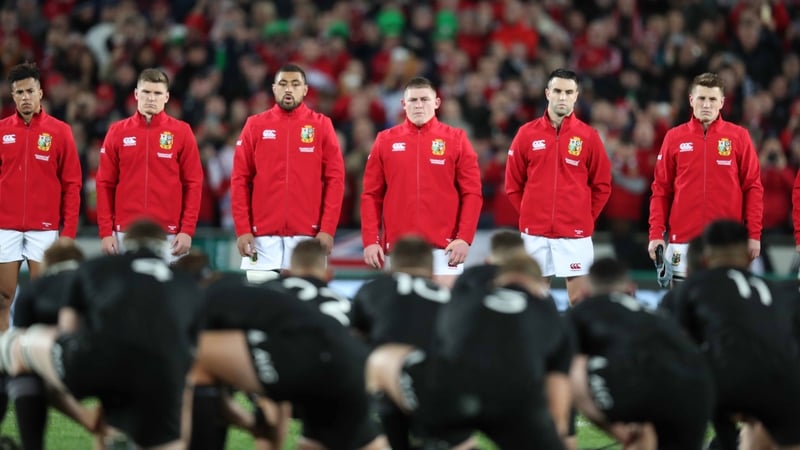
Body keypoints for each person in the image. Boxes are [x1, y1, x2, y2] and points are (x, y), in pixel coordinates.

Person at [0, 219, 205, 450]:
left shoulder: (96, 267)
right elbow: (193, 357)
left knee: (14, 347)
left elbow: (68, 331)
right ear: (163, 249)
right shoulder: (186, 284)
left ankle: (37, 444)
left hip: (101, 358)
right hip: (162, 374)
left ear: (126, 243)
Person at [366, 254, 573, 449]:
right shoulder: (551, 315)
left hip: (453, 392)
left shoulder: (462, 300)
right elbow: (559, 398)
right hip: (514, 400)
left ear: (497, 281)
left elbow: (434, 347)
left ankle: (423, 442)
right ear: (539, 286)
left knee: (383, 357)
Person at [192, 270, 387, 450]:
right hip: (356, 361)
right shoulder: (264, 303)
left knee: (195, 359)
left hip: (317, 357)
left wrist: (245, 421)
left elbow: (272, 400)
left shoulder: (207, 304)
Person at [665, 220, 800, 450]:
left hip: (728, 381)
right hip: (789, 382)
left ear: (704, 259)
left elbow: (678, 348)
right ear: (749, 259)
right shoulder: (774, 290)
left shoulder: (692, 287)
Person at [567, 257, 714, 450]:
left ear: (585, 293)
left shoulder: (580, 315)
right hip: (696, 390)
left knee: (571, 367)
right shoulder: (657, 316)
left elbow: (565, 373)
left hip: (638, 393)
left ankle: (629, 435)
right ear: (631, 290)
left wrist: (617, 430)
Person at [351, 235, 474, 450]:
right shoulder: (448, 297)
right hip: (440, 385)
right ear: (431, 270)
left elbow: (353, 342)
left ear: (392, 265)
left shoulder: (373, 288)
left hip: (386, 383)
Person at [361, 76, 483, 288]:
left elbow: (472, 193)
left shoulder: (456, 139)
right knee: (403, 316)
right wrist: (371, 240)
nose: (419, 105)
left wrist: (464, 238)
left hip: (445, 248)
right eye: (413, 100)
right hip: (400, 249)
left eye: (425, 99)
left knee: (443, 314)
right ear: (403, 104)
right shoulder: (385, 140)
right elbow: (371, 195)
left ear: (436, 103)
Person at [505, 68, 612, 305]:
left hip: (575, 234)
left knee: (580, 300)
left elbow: (602, 186)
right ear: (547, 93)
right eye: (557, 91)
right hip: (535, 233)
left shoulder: (589, 136)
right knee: (532, 299)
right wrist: (529, 213)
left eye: (568, 92)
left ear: (576, 96)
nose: (562, 97)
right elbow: (513, 184)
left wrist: (584, 217)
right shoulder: (526, 134)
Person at [231, 63, 345, 284]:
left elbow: (335, 181)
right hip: (261, 236)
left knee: (306, 302)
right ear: (274, 89)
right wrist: (243, 229)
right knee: (261, 304)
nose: (288, 89)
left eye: (295, 84)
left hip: (308, 236)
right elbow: (239, 181)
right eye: (283, 84)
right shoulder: (255, 125)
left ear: (305, 89)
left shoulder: (321, 125)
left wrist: (327, 230)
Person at [648, 72, 763, 285]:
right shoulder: (674, 137)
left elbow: (753, 188)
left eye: (712, 99)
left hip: (727, 243)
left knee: (725, 311)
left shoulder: (739, 137)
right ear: (691, 100)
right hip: (683, 241)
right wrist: (656, 233)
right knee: (682, 312)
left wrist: (753, 234)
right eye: (701, 98)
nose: (706, 104)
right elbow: (661, 190)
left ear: (722, 102)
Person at [0, 62, 82, 330]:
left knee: (46, 300)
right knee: (3, 298)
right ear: (12, 96)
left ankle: (37, 358)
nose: (25, 97)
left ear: (41, 92)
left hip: (44, 228)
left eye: (30, 91)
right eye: (20, 92)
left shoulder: (60, 131)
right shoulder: (1, 131)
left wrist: (67, 233)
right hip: (5, 226)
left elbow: (72, 185)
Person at [96, 68, 203, 263]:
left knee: (168, 292)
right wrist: (106, 232)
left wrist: (187, 230)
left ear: (167, 97)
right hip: (126, 232)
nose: (151, 98)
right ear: (136, 94)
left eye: (157, 93)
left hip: (169, 234)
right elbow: (104, 184)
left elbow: (193, 183)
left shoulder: (182, 132)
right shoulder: (117, 132)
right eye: (146, 92)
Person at [10, 240, 104, 450]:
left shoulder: (34, 288)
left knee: (20, 361)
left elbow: (20, 342)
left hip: (56, 363)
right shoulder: (97, 282)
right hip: (111, 364)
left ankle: (32, 445)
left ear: (47, 265)